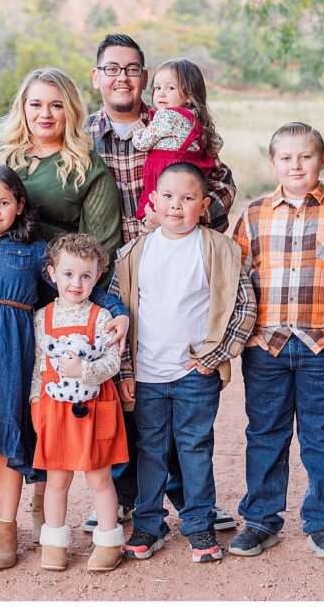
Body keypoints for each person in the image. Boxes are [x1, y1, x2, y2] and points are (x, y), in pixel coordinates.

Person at [0, 67, 125, 533]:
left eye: (55, 104)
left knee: (39, 400)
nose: (44, 113)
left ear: (70, 110)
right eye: (35, 104)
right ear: (22, 108)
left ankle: (39, 498)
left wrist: (112, 309)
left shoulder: (86, 167)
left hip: (56, 305)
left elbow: (101, 248)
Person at [82, 33, 239, 533]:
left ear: (145, 78)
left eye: (131, 69)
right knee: (125, 388)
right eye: (112, 68)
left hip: (172, 260)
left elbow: (222, 182)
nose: (122, 77)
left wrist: (185, 216)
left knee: (174, 390)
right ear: (97, 77)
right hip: (111, 273)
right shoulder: (84, 134)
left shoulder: (171, 121)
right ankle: (127, 497)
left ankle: (190, 499)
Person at [227, 121, 324, 560]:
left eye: (305, 157)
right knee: (265, 433)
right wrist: (248, 335)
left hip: (322, 348)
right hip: (267, 346)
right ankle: (261, 520)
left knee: (323, 435)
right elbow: (237, 279)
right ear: (273, 163)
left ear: (322, 160)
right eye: (286, 158)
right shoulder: (254, 214)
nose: (296, 165)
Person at [107, 162, 255, 563]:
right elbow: (116, 315)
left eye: (188, 198)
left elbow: (243, 308)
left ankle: (199, 525)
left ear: (203, 205)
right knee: (150, 450)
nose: (176, 206)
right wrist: (124, 371)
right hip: (147, 375)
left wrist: (213, 357)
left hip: (195, 373)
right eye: (168, 197)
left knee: (194, 447)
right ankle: (149, 524)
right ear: (152, 201)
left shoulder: (221, 249)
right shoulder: (132, 253)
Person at [30, 234, 128, 572]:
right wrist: (35, 404)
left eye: (86, 275)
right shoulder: (41, 318)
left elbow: (113, 362)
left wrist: (84, 370)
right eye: (69, 274)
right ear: (52, 273)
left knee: (99, 478)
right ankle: (54, 542)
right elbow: (37, 366)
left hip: (93, 407)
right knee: (56, 480)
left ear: (97, 275)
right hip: (53, 409)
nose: (77, 283)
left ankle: (108, 540)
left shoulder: (102, 317)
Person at [132, 58, 223, 223]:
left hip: (165, 170)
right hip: (189, 176)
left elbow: (142, 143)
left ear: (189, 95)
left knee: (156, 206)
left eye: (170, 88)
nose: (161, 93)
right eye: (157, 87)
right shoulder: (195, 118)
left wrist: (138, 132)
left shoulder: (168, 115)